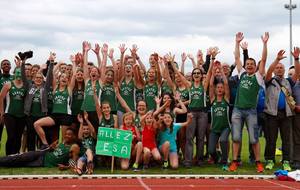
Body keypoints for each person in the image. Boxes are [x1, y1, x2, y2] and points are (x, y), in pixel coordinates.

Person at [229, 32, 269, 172]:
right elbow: (237, 57)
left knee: (254, 138)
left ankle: (258, 162)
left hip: (251, 111)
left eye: (252, 64)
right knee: (235, 137)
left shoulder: (258, 77)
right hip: (237, 110)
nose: (250, 65)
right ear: (245, 66)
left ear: (255, 67)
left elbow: (263, 59)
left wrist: (264, 44)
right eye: (248, 64)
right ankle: (234, 161)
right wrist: (236, 42)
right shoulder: (242, 74)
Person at [0, 128, 80, 168]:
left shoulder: (74, 147)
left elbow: (73, 164)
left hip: (42, 163)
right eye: (66, 134)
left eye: (69, 134)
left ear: (74, 136)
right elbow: (52, 150)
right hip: (42, 154)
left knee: (19, 163)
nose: (66, 136)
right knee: (18, 157)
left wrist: (65, 167)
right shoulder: (63, 142)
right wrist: (51, 147)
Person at [22, 52, 54, 151]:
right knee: (31, 136)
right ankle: (31, 153)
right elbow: (23, 76)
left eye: (40, 78)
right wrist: (23, 62)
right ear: (34, 79)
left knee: (41, 137)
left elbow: (49, 76)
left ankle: (42, 154)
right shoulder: (29, 86)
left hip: (41, 115)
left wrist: (51, 63)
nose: (39, 79)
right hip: (30, 115)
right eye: (37, 78)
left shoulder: (45, 87)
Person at [0, 60, 26, 155]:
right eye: (17, 72)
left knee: (18, 136)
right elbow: (1, 97)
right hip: (9, 113)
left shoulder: (25, 85)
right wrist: (2, 112)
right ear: (14, 73)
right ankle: (8, 156)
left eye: (21, 73)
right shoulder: (8, 84)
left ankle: (16, 155)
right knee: (11, 136)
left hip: (22, 115)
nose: (19, 74)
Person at [208, 62, 230, 171]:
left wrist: (221, 70)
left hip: (225, 127)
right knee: (211, 150)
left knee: (223, 141)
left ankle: (225, 161)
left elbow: (226, 83)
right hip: (214, 128)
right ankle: (218, 159)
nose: (220, 89)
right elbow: (211, 84)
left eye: (221, 88)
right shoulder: (213, 99)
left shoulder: (226, 99)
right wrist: (213, 72)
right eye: (218, 88)